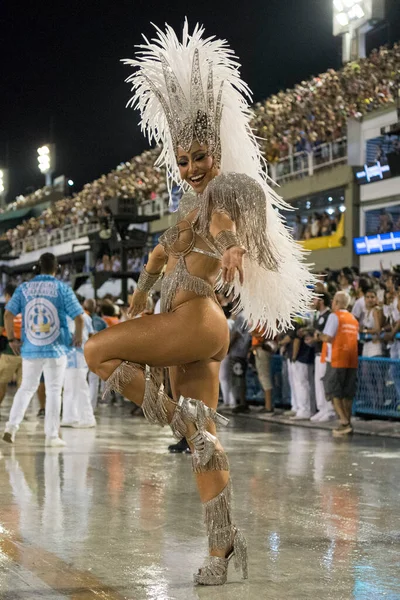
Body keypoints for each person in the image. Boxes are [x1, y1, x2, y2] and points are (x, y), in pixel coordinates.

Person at [84, 22, 313, 585]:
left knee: (95, 350)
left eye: (199, 156)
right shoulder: (187, 205)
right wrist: (138, 301)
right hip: (197, 332)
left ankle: (177, 421)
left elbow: (229, 220)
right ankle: (222, 547)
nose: (190, 167)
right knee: (205, 442)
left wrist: (234, 248)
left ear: (216, 151)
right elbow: (158, 259)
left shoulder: (218, 195)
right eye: (183, 159)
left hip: (195, 319)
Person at [2, 253, 84, 446]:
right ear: (57, 269)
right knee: (54, 391)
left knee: (26, 389)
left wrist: (12, 339)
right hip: (56, 349)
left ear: (37, 268)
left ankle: (11, 428)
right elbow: (79, 318)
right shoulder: (62, 288)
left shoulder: (23, 289)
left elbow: (7, 314)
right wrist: (78, 337)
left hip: (31, 348)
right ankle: (52, 436)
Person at [317, 291, 359, 436]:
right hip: (352, 360)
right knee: (347, 394)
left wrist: (318, 335)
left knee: (333, 391)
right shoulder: (353, 318)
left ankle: (344, 422)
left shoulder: (334, 317)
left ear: (336, 302)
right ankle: (347, 422)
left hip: (336, 359)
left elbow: (328, 337)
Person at [61, 299, 96, 428]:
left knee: (79, 387)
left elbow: (70, 336)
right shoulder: (85, 316)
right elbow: (92, 335)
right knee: (70, 387)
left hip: (75, 357)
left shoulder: (73, 318)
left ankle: (87, 418)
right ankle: (70, 417)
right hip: (77, 357)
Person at [310, 291, 335, 422]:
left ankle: (329, 409)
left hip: (326, 354)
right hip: (317, 353)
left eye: (314, 299)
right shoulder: (317, 316)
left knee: (325, 382)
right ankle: (322, 409)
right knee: (318, 382)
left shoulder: (329, 316)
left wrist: (317, 337)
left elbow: (327, 335)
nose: (312, 302)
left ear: (321, 301)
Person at [0, 284, 22, 416]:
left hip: (9, 352)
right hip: (26, 353)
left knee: (1, 382)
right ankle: (18, 412)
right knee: (23, 387)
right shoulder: (26, 307)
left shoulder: (5, 310)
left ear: (8, 295)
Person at [83, 298, 107, 410]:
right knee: (94, 381)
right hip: (97, 354)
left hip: (82, 353)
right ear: (95, 308)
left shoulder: (80, 319)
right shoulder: (101, 322)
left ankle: (81, 406)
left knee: (82, 379)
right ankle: (91, 407)